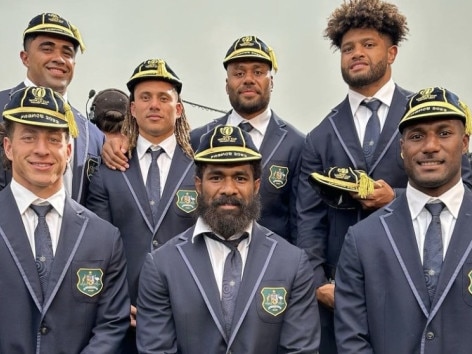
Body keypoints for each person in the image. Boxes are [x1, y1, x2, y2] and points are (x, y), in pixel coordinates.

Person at [295, 1, 472, 353]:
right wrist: (318, 282)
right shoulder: (319, 136)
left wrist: (399, 198)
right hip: (351, 287)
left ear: (391, 53)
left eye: (368, 45)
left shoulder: (425, 118)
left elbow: (462, 183)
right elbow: (308, 219)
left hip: (432, 274)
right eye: (348, 48)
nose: (357, 53)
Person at [100, 35, 305, 244]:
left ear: (272, 82)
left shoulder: (296, 143)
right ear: (227, 85)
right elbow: (156, 142)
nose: (249, 79)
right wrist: (114, 142)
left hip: (273, 265)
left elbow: (302, 219)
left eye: (258, 72)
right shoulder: (199, 140)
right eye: (239, 73)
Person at [137, 124, 320, 353]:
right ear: (198, 185)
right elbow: (156, 350)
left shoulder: (292, 263)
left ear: (256, 186)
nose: (228, 189)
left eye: (240, 178)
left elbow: (300, 350)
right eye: (216, 177)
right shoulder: (162, 265)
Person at [335, 86, 472, 353]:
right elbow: (352, 341)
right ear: (402, 147)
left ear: (464, 142)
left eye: (444, 133)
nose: (430, 146)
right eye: (417, 136)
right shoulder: (363, 239)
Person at [0, 86, 129, 353]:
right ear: (8, 147)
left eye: (54, 139)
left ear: (69, 150)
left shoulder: (103, 237)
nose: (42, 150)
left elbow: (111, 326)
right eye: (28, 137)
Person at [86, 58, 197, 354]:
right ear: (132, 109)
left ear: (179, 108)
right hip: (126, 320)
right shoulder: (109, 169)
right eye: (145, 97)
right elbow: (98, 248)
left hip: (192, 317)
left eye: (164, 98)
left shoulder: (202, 169)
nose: (154, 105)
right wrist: (116, 302)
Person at [0, 12, 104, 204]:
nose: (59, 58)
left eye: (67, 53)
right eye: (47, 49)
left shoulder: (93, 135)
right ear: (25, 58)